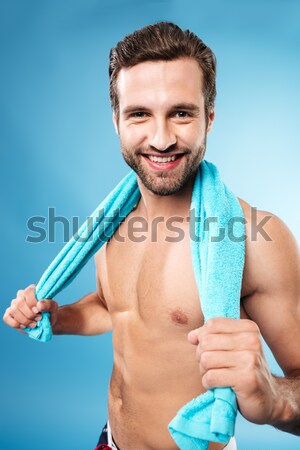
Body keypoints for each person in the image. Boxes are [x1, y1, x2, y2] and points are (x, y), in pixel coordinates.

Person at [3, 22, 300, 450]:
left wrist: (273, 400)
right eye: (140, 114)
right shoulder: (111, 223)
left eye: (181, 113)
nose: (161, 139)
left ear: (209, 118)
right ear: (117, 121)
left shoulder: (256, 240)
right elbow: (115, 307)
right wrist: (55, 315)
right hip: (110, 441)